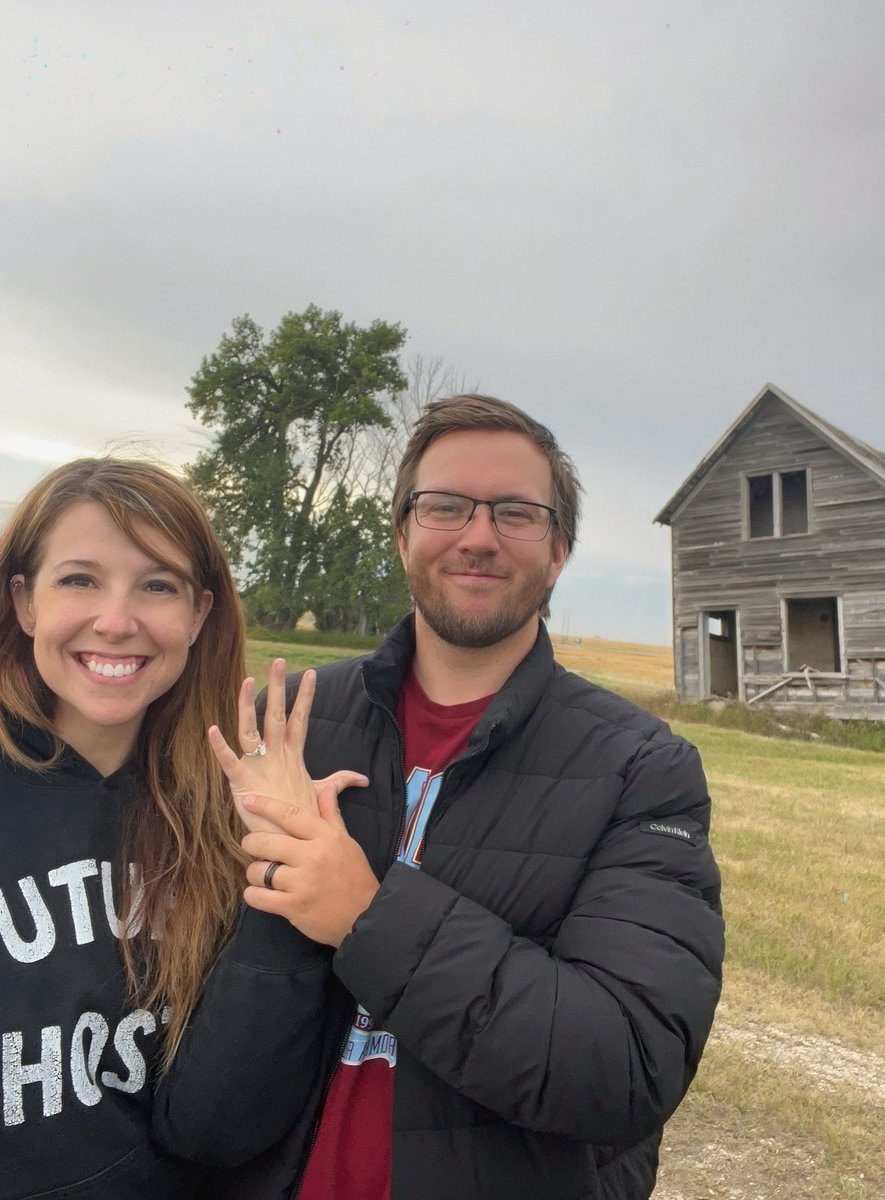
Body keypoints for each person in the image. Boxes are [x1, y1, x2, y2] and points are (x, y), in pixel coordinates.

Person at [211, 393, 725, 1200]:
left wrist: (365, 915)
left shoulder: (640, 767)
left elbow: (625, 1064)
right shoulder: (294, 726)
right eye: (445, 505)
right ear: (402, 532)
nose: (479, 536)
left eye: (517, 513)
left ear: (558, 552)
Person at [0, 457, 365, 1198]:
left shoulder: (215, 816)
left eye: (157, 586)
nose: (116, 619)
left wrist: (279, 855)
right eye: (79, 579)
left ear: (199, 614)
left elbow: (219, 1126)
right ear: (25, 601)